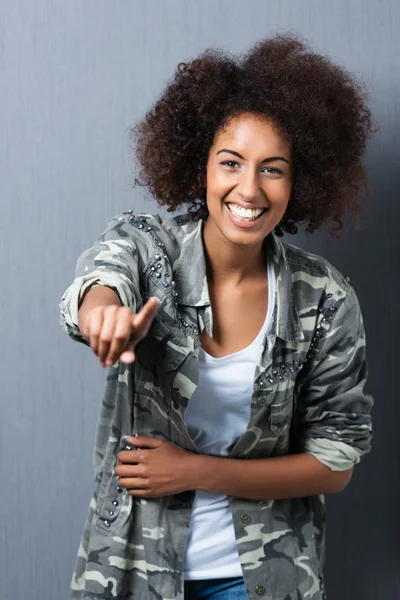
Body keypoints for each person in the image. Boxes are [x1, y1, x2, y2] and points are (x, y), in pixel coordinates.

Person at [60, 34, 374, 600]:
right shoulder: (148, 247)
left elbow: (336, 462)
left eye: (273, 169)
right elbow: (101, 278)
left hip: (265, 577)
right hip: (133, 568)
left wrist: (197, 470)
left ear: (299, 180)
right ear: (199, 162)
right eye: (231, 162)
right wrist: (102, 316)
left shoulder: (324, 298)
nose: (248, 189)